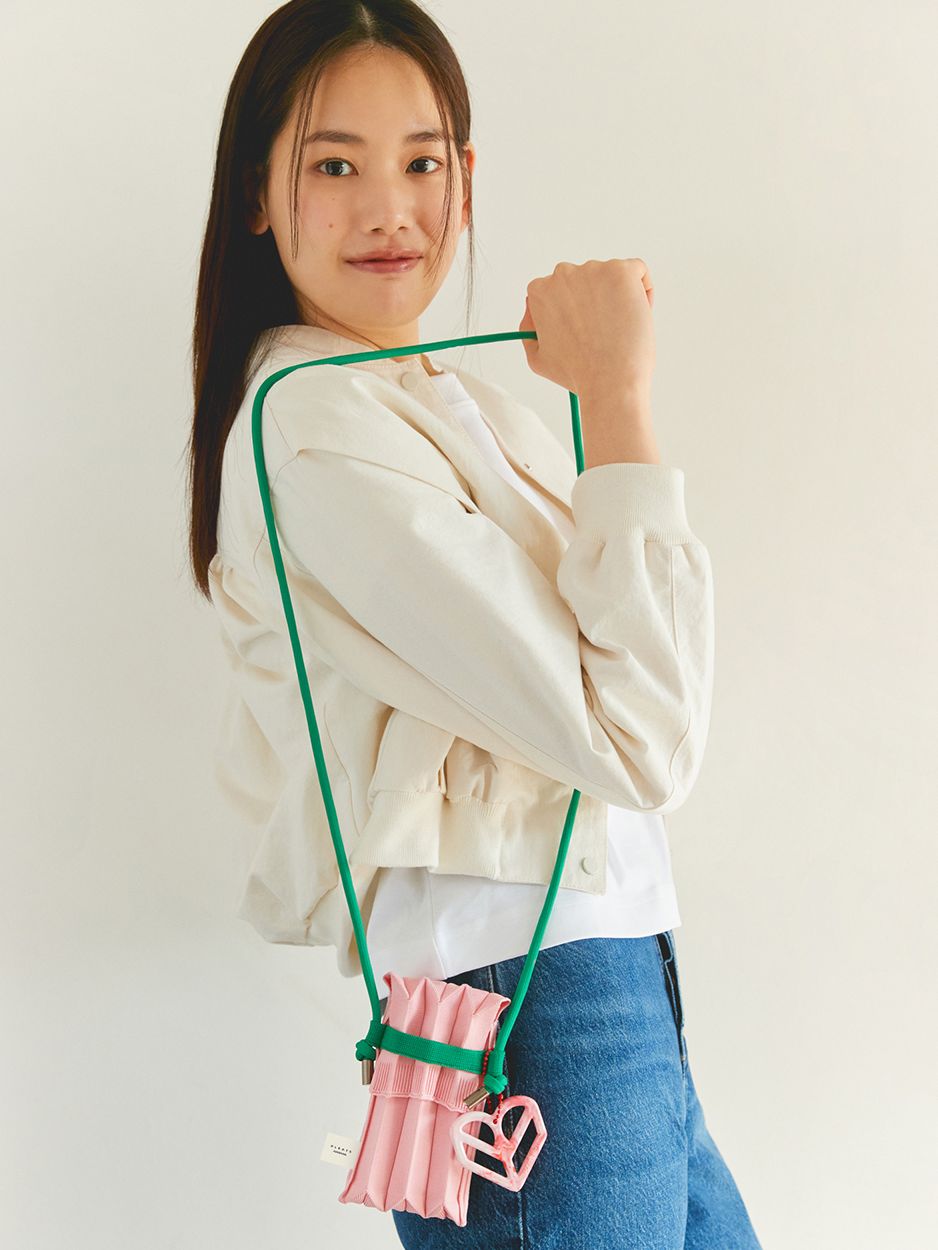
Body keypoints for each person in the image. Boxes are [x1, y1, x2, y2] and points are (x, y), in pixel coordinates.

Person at [186, 2, 764, 1246]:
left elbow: (634, 709)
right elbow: (642, 740)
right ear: (255, 194)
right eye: (333, 165)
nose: (389, 208)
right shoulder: (310, 429)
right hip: (527, 999)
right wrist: (616, 394)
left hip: (605, 973)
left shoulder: (461, 408)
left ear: (465, 174)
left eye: (421, 160)